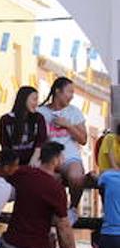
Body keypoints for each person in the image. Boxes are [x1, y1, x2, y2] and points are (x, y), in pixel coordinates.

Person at [39, 76, 88, 217]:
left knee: (77, 177)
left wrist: (68, 125)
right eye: (69, 92)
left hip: (70, 157)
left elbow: (83, 139)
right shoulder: (41, 112)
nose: (71, 96)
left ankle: (73, 209)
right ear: (57, 91)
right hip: (48, 158)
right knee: (45, 180)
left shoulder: (74, 112)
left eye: (73, 93)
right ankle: (48, 212)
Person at [0, 86, 46, 166]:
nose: (36, 103)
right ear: (24, 99)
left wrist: (32, 162)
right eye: (34, 99)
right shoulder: (6, 119)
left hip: (34, 162)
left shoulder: (39, 118)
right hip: (12, 163)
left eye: (37, 100)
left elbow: (40, 143)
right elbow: (5, 144)